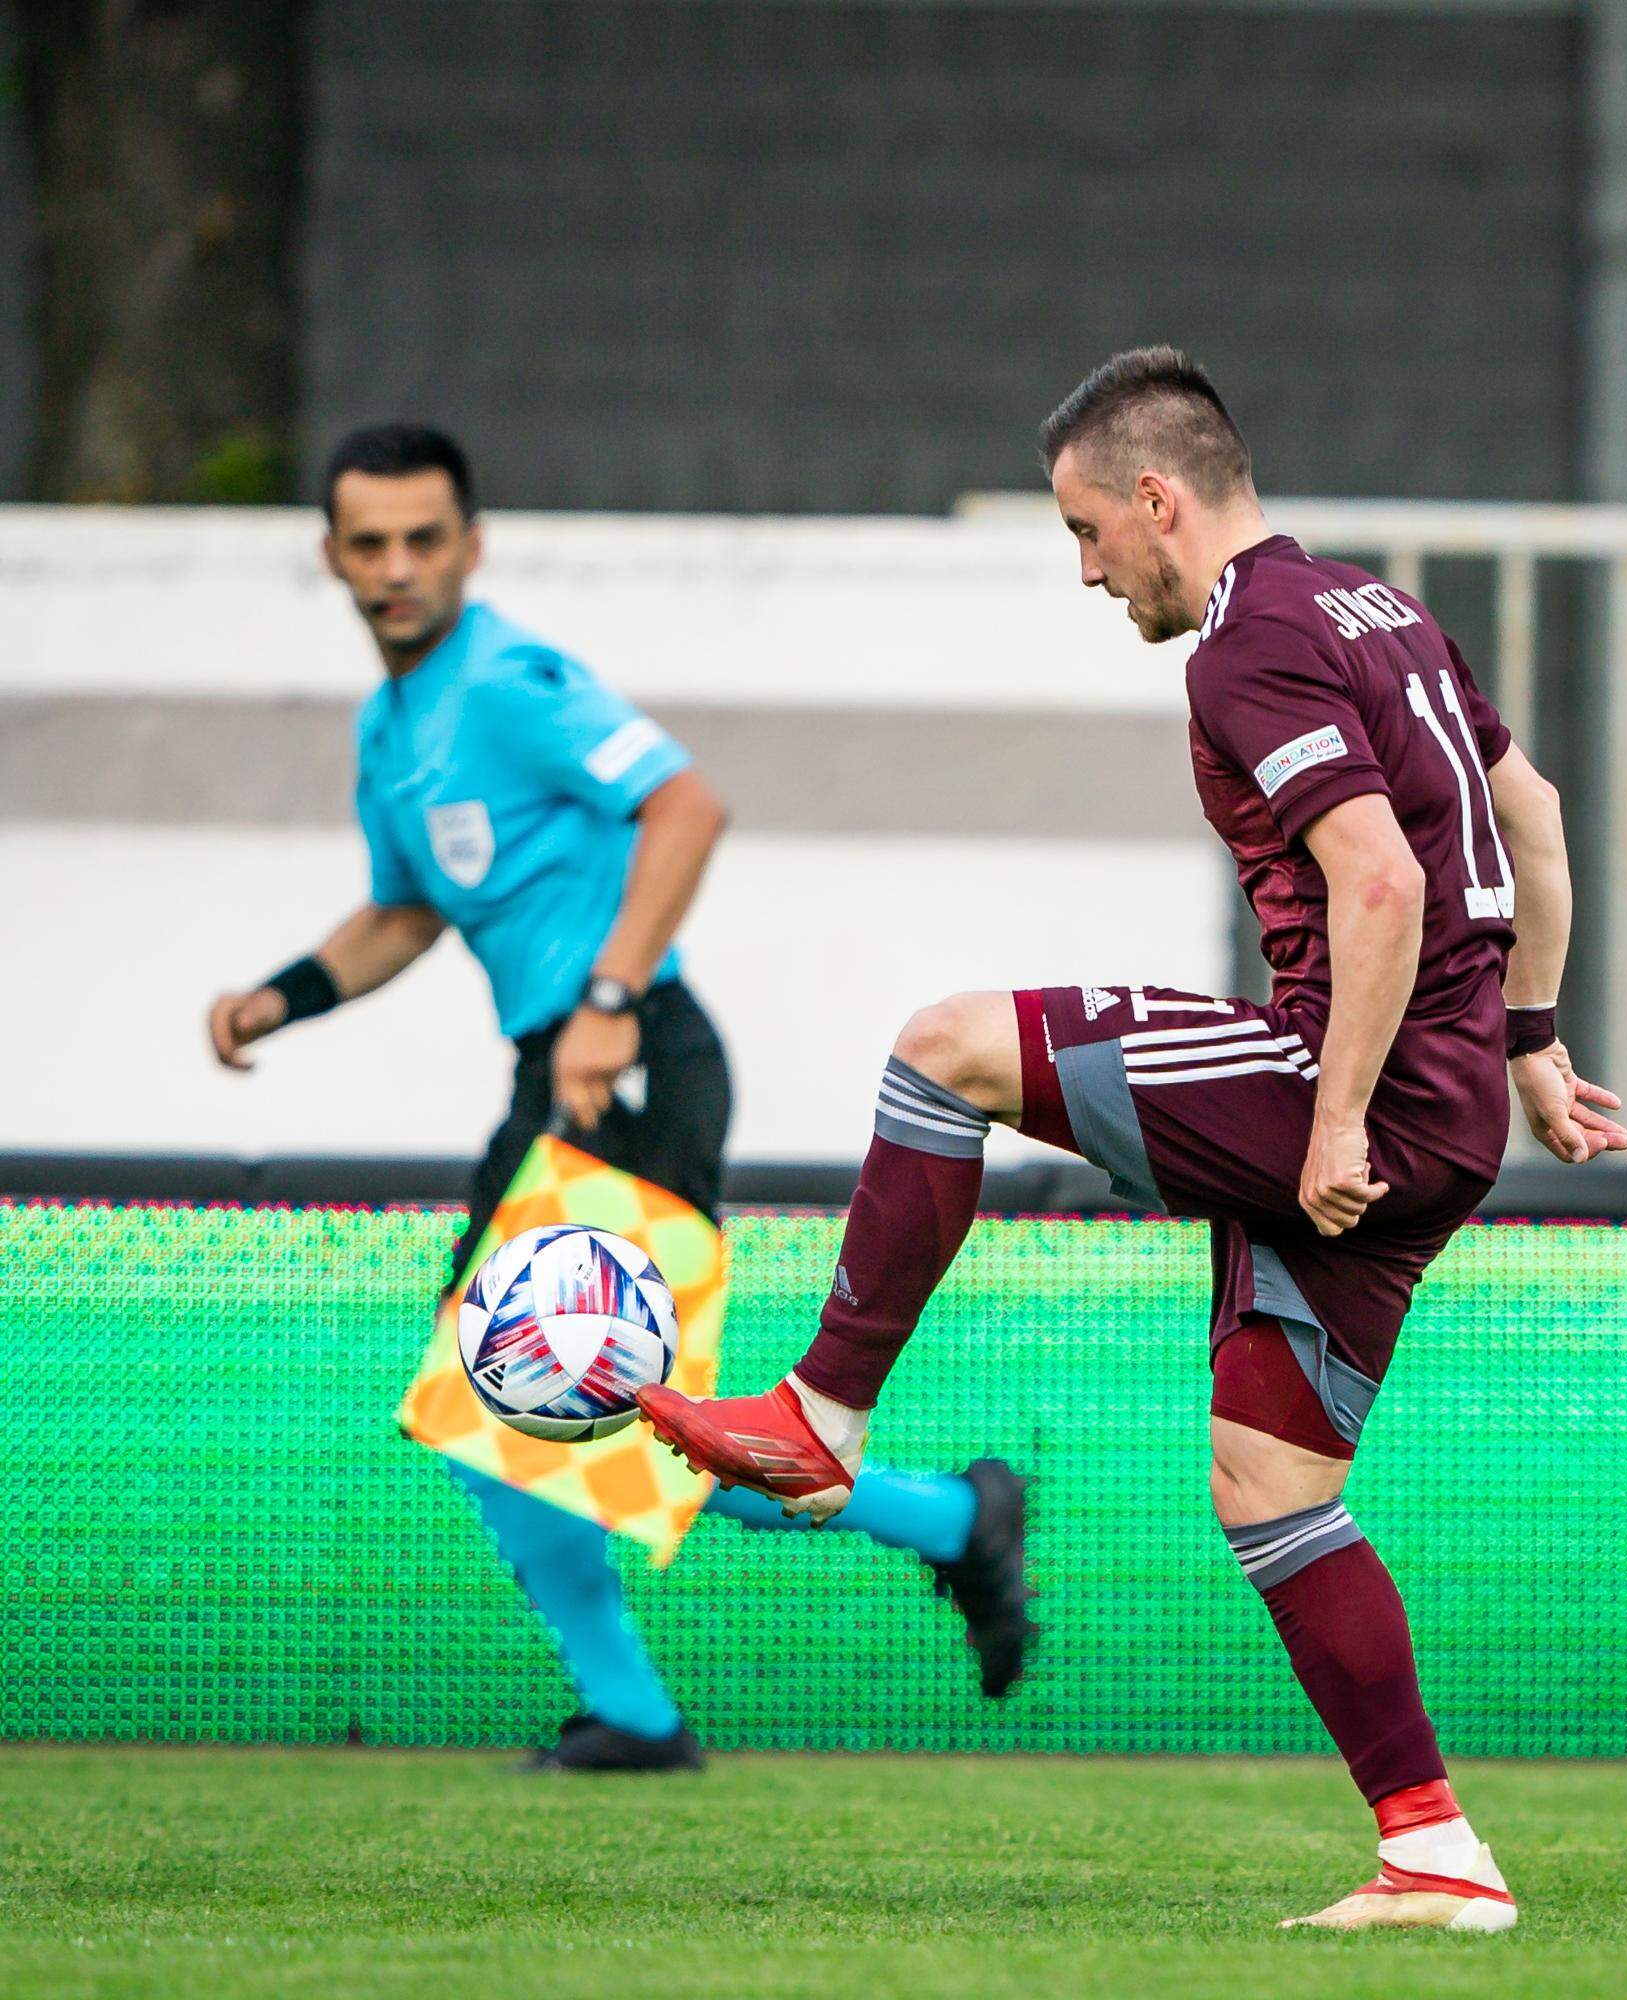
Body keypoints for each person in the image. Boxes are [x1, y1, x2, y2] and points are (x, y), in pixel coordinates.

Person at [639, 348, 1627, 1928]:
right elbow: (1539, 819)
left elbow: (1380, 884)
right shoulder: (1382, 611)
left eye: (1089, 530)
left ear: (1159, 501)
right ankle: (1435, 1851)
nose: (1088, 567)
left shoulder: (1246, 648)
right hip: (1447, 1110)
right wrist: (1527, 1041)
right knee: (1272, 1488)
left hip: (1353, 1085)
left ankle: (823, 1414)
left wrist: (1338, 1110)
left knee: (942, 1048)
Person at [207, 422, 1034, 1772]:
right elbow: (408, 911)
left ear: (472, 548)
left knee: (569, 1400)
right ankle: (916, 1542)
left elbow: (687, 807)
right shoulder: (393, 727)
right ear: (334, 557)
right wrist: (279, 997)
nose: (399, 566)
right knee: (517, 1406)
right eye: (372, 543)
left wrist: (607, 998)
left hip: (633, 1057)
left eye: (427, 539)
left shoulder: (512, 680)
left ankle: (937, 1528)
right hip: (564, 1069)